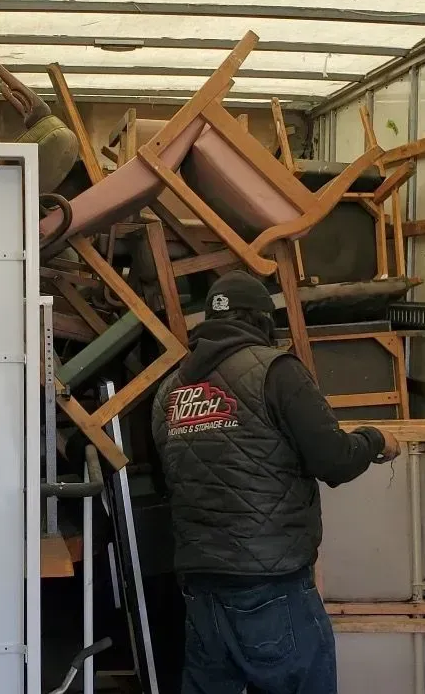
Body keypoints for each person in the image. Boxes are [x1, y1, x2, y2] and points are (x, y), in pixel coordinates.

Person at [150, 270, 402, 694]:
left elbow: (168, 483)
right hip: (271, 588)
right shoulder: (277, 372)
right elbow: (334, 461)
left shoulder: (169, 393)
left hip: (201, 591)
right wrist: (376, 438)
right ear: (263, 321)